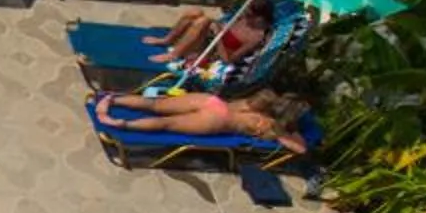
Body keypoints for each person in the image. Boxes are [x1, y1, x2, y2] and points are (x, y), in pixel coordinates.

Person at [93, 87, 308, 140]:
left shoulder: (263, 99)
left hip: (213, 102)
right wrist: (291, 132)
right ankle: (123, 124)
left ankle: (113, 98)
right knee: (166, 123)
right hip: (218, 120)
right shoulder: (269, 124)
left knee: (157, 104)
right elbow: (296, 147)